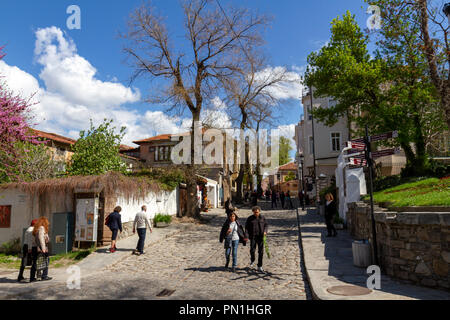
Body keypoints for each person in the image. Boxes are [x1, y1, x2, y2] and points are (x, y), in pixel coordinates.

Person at [245, 206, 268, 273]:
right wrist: (246, 235)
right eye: (254, 212)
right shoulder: (250, 218)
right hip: (253, 237)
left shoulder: (262, 218)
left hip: (261, 237)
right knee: (252, 250)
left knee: (260, 252)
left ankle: (259, 266)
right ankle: (253, 259)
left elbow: (266, 225)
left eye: (257, 212)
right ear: (253, 212)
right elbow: (246, 227)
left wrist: (265, 231)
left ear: (259, 212)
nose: (256, 214)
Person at [30, 217, 51, 282]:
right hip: (41, 247)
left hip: (36, 247)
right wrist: (44, 249)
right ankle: (44, 276)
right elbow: (41, 239)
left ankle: (32, 277)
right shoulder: (42, 228)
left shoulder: (37, 229)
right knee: (46, 260)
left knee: (35, 262)